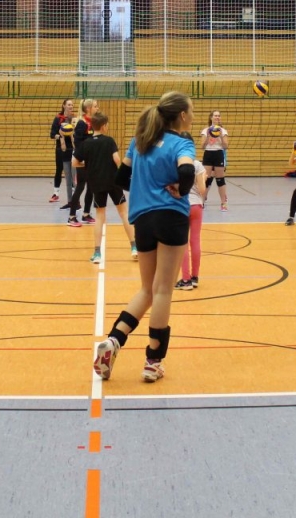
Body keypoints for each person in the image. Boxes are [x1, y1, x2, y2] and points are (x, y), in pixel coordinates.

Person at [93, 91, 196, 384]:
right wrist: (181, 188)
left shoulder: (139, 140)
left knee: (146, 290)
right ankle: (153, 362)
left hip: (142, 218)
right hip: (171, 216)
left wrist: (147, 186)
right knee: (163, 290)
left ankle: (113, 340)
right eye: (191, 110)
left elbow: (121, 179)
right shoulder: (182, 142)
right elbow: (187, 169)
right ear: (182, 116)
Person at [75, 111, 137, 264]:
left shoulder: (86, 143)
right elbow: (116, 159)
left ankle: (97, 253)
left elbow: (74, 162)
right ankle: (134, 247)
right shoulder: (109, 141)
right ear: (103, 127)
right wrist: (123, 174)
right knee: (123, 213)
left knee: (100, 215)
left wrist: (87, 166)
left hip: (96, 183)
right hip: (113, 181)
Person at [175, 132, 207, 291]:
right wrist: (204, 179)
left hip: (182, 205)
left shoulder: (178, 164)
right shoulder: (198, 165)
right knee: (196, 241)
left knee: (183, 243)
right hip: (197, 206)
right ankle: (195, 277)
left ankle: (186, 280)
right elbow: (202, 189)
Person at [65, 98, 98, 227]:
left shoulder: (93, 122)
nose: (97, 108)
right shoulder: (82, 123)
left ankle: (86, 214)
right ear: (88, 108)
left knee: (91, 187)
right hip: (82, 160)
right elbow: (77, 142)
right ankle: (72, 217)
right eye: (95, 106)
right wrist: (82, 158)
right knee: (80, 187)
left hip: (90, 160)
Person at [200, 110, 229, 211]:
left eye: (219, 116)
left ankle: (223, 203)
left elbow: (226, 146)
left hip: (218, 153)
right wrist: (208, 136)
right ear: (211, 117)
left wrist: (220, 135)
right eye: (215, 116)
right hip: (208, 153)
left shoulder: (223, 131)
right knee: (206, 179)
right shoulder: (205, 130)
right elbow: (202, 146)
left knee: (220, 179)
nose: (217, 117)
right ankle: (202, 201)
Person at [49, 99, 76, 204]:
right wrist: (60, 136)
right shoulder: (58, 118)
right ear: (64, 106)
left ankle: (74, 195)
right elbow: (52, 134)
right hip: (61, 149)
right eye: (69, 104)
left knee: (73, 173)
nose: (71, 106)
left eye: (72, 105)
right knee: (59, 170)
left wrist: (72, 134)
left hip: (72, 149)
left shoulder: (74, 119)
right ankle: (56, 194)